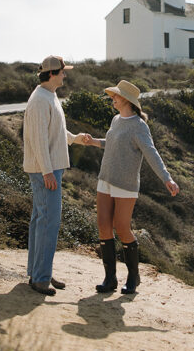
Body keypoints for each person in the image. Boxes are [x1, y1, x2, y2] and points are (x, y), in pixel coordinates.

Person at [84, 79, 179, 296]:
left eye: (116, 96)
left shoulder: (139, 126)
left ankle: (133, 277)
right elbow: (112, 143)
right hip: (105, 179)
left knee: (122, 228)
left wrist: (167, 178)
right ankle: (110, 278)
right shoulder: (116, 120)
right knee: (103, 226)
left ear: (127, 100)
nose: (112, 98)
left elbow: (151, 153)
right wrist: (94, 142)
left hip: (125, 183)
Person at [23, 55, 95, 296]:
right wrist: (46, 171)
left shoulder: (49, 96)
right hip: (45, 169)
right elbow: (39, 139)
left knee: (40, 220)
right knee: (48, 222)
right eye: (63, 72)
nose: (65, 75)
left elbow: (55, 131)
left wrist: (75, 139)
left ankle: (39, 271)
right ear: (52, 74)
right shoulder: (40, 100)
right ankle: (40, 278)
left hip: (49, 167)